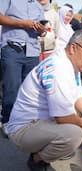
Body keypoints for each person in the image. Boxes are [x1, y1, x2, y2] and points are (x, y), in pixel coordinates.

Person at [6, 31, 82, 171]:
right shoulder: (59, 68)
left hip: (41, 121)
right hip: (23, 129)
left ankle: (50, 148)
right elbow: (62, 117)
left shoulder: (71, 65)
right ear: (74, 48)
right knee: (74, 134)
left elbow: (79, 96)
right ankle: (36, 160)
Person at [0, 0, 45, 134]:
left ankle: (26, 121)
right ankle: (8, 122)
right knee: (11, 87)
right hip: (12, 48)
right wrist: (22, 23)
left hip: (32, 51)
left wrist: (41, 30)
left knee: (31, 89)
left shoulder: (38, 6)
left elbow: (42, 32)